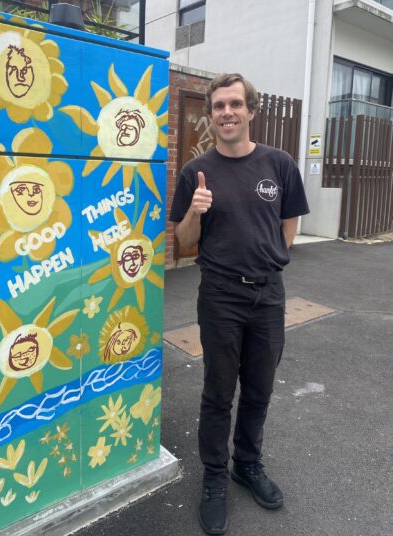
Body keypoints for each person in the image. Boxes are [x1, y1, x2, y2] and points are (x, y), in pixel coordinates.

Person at [169, 73, 310, 535]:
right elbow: (184, 245)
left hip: (268, 295)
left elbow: (288, 224)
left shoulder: (280, 164)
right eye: (217, 106)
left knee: (260, 389)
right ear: (211, 116)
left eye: (234, 104)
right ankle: (213, 478)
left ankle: (246, 465)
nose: (226, 112)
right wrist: (196, 211)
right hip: (220, 294)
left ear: (251, 110)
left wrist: (275, 259)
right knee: (218, 393)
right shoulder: (196, 172)